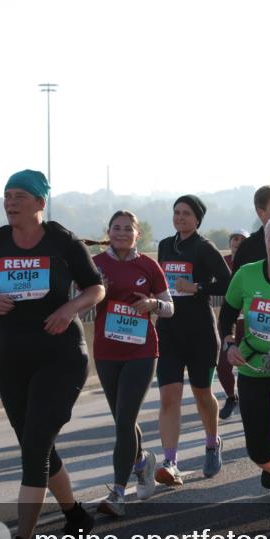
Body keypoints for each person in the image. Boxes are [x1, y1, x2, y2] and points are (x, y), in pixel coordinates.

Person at [0, 169, 106, 539]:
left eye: (20, 196)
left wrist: (69, 308)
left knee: (36, 447)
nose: (11, 202)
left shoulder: (62, 241)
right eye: (7, 195)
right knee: (34, 445)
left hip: (61, 358)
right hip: (11, 360)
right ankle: (76, 516)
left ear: (40, 203)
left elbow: (96, 288)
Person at [219, 214, 270, 532]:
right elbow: (226, 315)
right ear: (264, 241)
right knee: (257, 451)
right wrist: (228, 344)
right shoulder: (246, 274)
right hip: (252, 370)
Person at [91, 211, 172, 516]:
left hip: (141, 351)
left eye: (128, 229)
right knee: (122, 420)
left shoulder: (148, 265)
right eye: (116, 228)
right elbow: (80, 304)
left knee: (125, 421)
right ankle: (141, 462)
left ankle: (117, 493)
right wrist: (94, 293)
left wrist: (153, 304)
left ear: (138, 234)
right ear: (108, 232)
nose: (122, 233)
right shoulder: (96, 264)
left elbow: (170, 307)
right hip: (106, 351)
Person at [155, 195, 232, 484]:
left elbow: (227, 283)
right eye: (176, 212)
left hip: (200, 333)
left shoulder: (204, 247)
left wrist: (197, 287)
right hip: (168, 331)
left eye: (186, 213)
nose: (180, 217)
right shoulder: (165, 245)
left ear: (197, 219)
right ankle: (170, 461)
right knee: (168, 397)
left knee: (202, 394)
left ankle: (212, 443)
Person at [217, 229, 250, 420]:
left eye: (242, 239)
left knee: (248, 364)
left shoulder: (253, 262)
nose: (238, 242)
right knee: (223, 366)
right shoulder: (223, 262)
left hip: (248, 321)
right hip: (229, 320)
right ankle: (231, 397)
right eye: (234, 238)